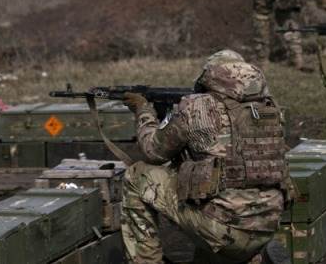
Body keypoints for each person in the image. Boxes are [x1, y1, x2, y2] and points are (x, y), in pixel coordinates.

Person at [120, 50, 292, 264]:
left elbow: (153, 151)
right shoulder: (271, 110)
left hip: (223, 229)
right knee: (212, 190)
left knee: (137, 176)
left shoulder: (196, 107)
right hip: (267, 225)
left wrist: (143, 111)